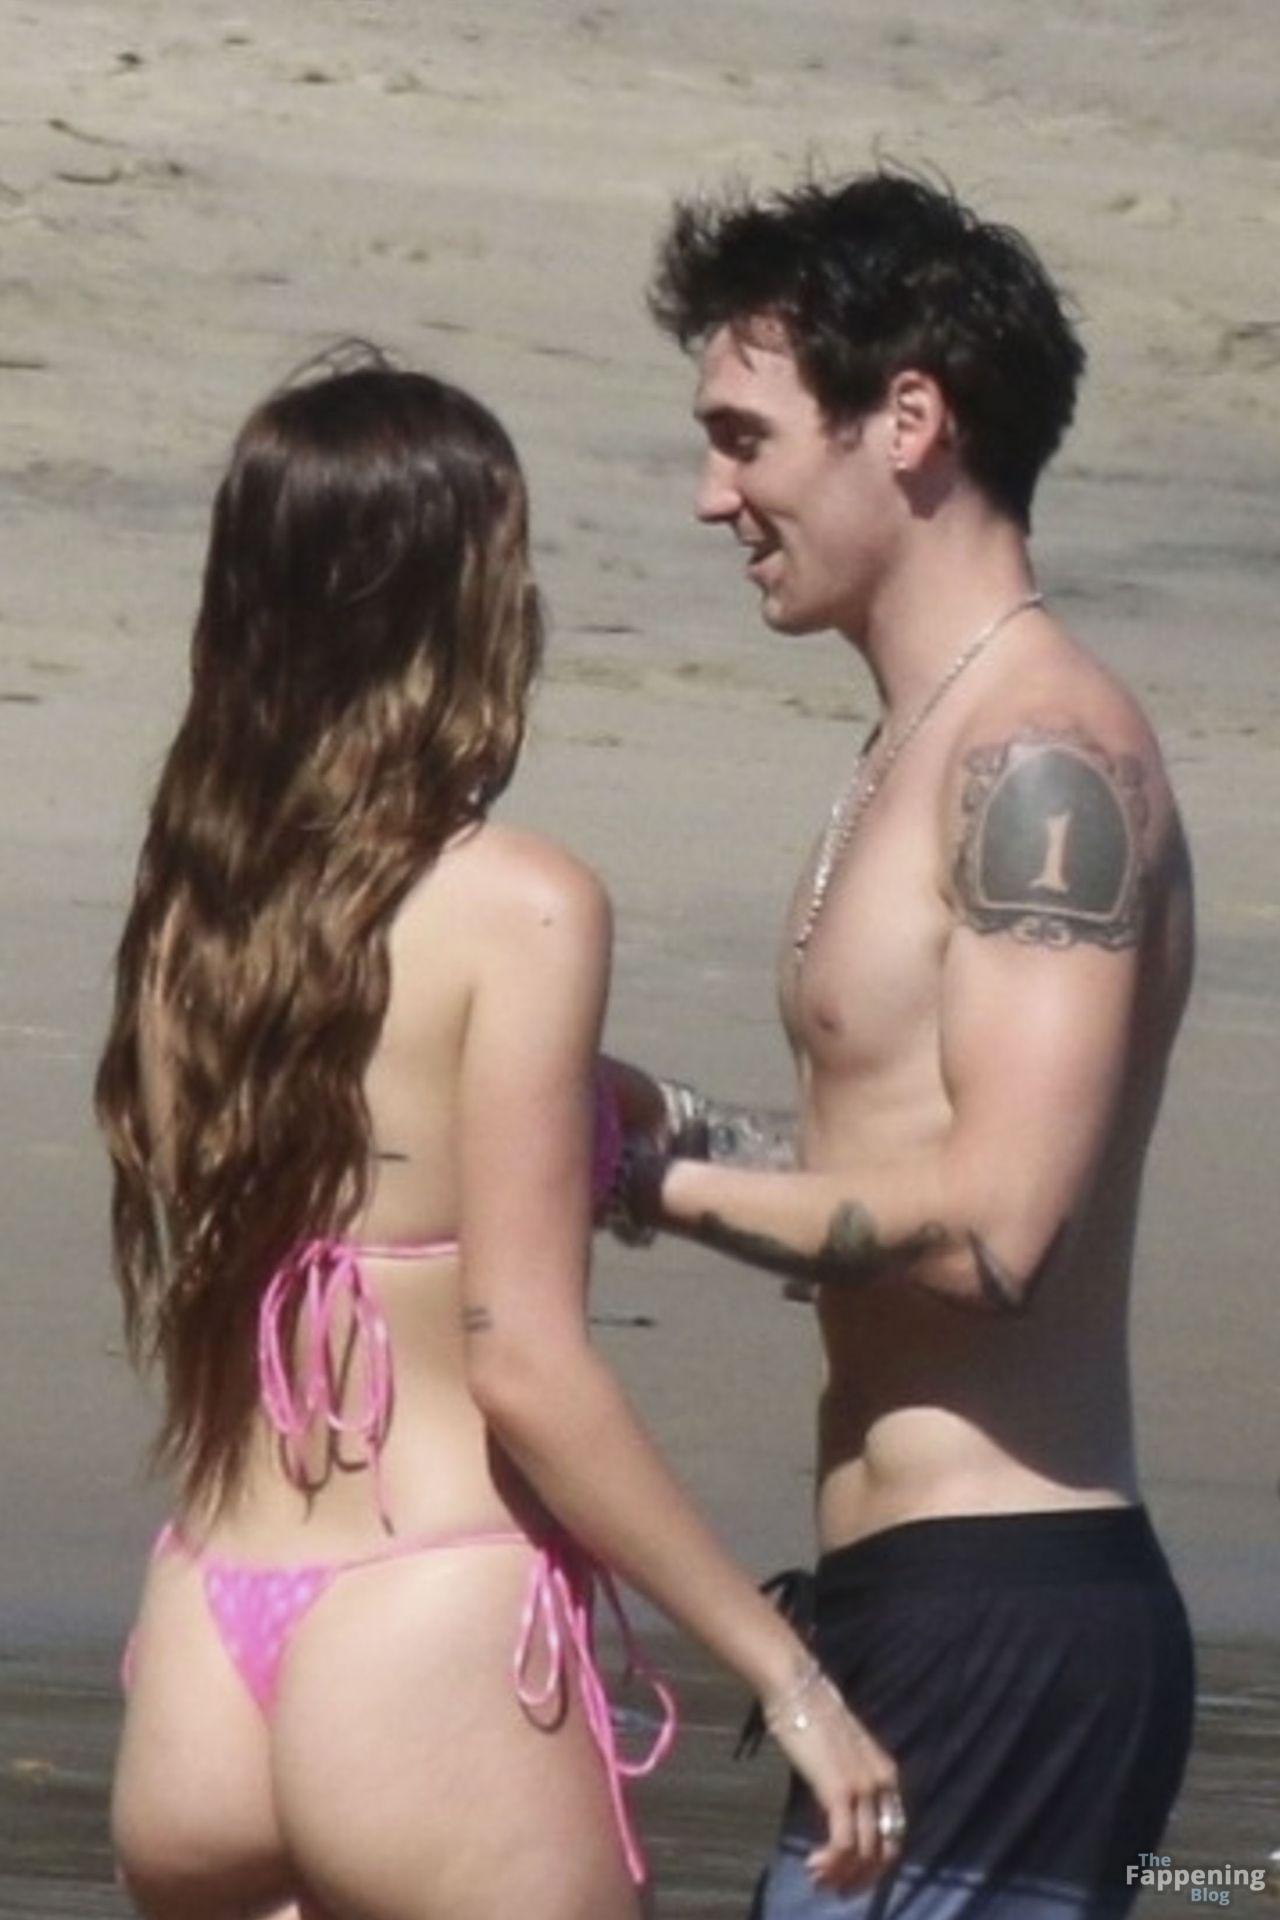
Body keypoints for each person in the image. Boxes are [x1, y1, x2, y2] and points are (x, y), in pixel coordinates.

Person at [94, 349, 902, 1920]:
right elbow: (523, 1363)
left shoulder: (198, 913)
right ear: (465, 604)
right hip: (426, 1634)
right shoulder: (522, 904)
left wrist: (637, 1122)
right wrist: (786, 1672)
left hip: (202, 1642)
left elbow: (365, 1146)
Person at [609, 171, 1197, 1917]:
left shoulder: (1046, 762)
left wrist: (653, 1184)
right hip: (915, 1606)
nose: (713, 495)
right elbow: (892, 1172)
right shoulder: (926, 744)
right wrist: (654, 1123)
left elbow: (997, 1234)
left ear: (911, 421)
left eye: (746, 439)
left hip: (1011, 1611)